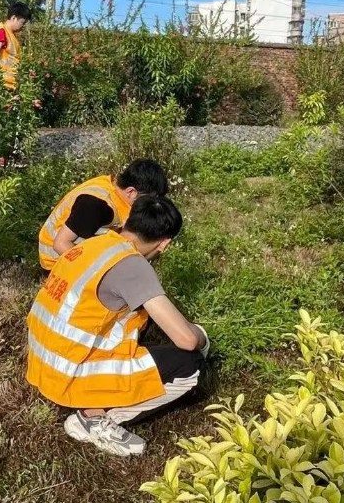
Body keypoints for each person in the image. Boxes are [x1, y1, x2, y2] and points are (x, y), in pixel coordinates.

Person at [26, 195, 209, 457]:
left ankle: (94, 404)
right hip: (69, 373)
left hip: (42, 362)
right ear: (165, 243)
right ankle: (95, 419)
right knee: (189, 364)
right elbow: (186, 340)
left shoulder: (94, 244)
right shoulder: (132, 265)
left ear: (130, 220)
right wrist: (200, 336)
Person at [38, 159, 168, 271]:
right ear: (131, 192)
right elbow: (61, 244)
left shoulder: (112, 187)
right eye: (149, 199)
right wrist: (98, 271)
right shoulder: (96, 204)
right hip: (56, 261)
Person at [0, 2, 31, 90]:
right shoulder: (1, 32)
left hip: (11, 85)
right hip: (2, 85)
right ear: (13, 18)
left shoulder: (12, 35)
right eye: (22, 22)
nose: (23, 26)